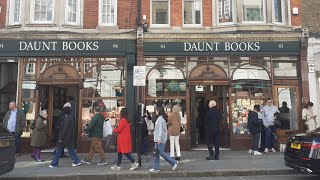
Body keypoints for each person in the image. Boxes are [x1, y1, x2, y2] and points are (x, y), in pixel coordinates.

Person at [49, 103, 81, 168]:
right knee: (70, 149)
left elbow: (64, 129)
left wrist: (61, 137)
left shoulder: (66, 118)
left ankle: (54, 163)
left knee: (58, 150)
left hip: (64, 138)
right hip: (69, 138)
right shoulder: (70, 117)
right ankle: (77, 161)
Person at [149, 107, 178, 172]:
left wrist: (159, 138)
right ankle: (156, 167)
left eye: (156, 110)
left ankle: (174, 162)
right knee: (156, 153)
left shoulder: (160, 119)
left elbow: (160, 130)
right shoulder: (161, 119)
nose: (155, 112)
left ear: (158, 111)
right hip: (159, 139)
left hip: (160, 140)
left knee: (161, 153)